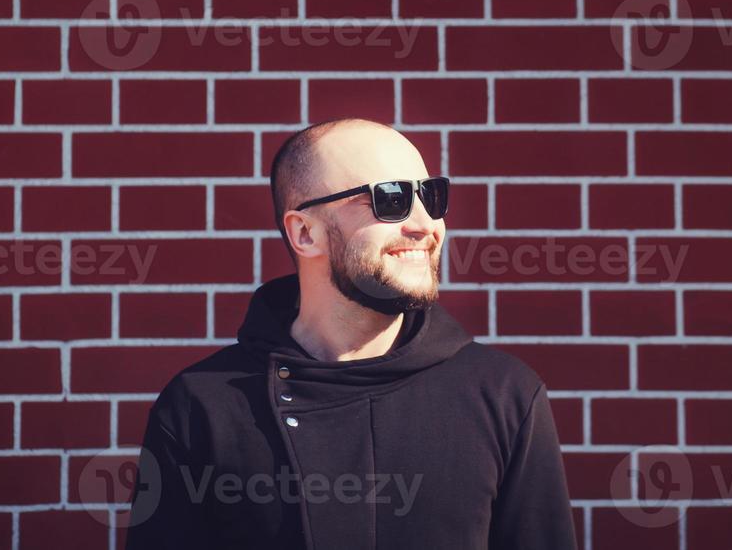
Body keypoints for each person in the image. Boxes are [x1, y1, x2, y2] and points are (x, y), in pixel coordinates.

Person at [123, 117, 577, 549]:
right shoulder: (204, 406)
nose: (425, 225)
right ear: (305, 234)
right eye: (391, 199)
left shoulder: (502, 395)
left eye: (432, 197)